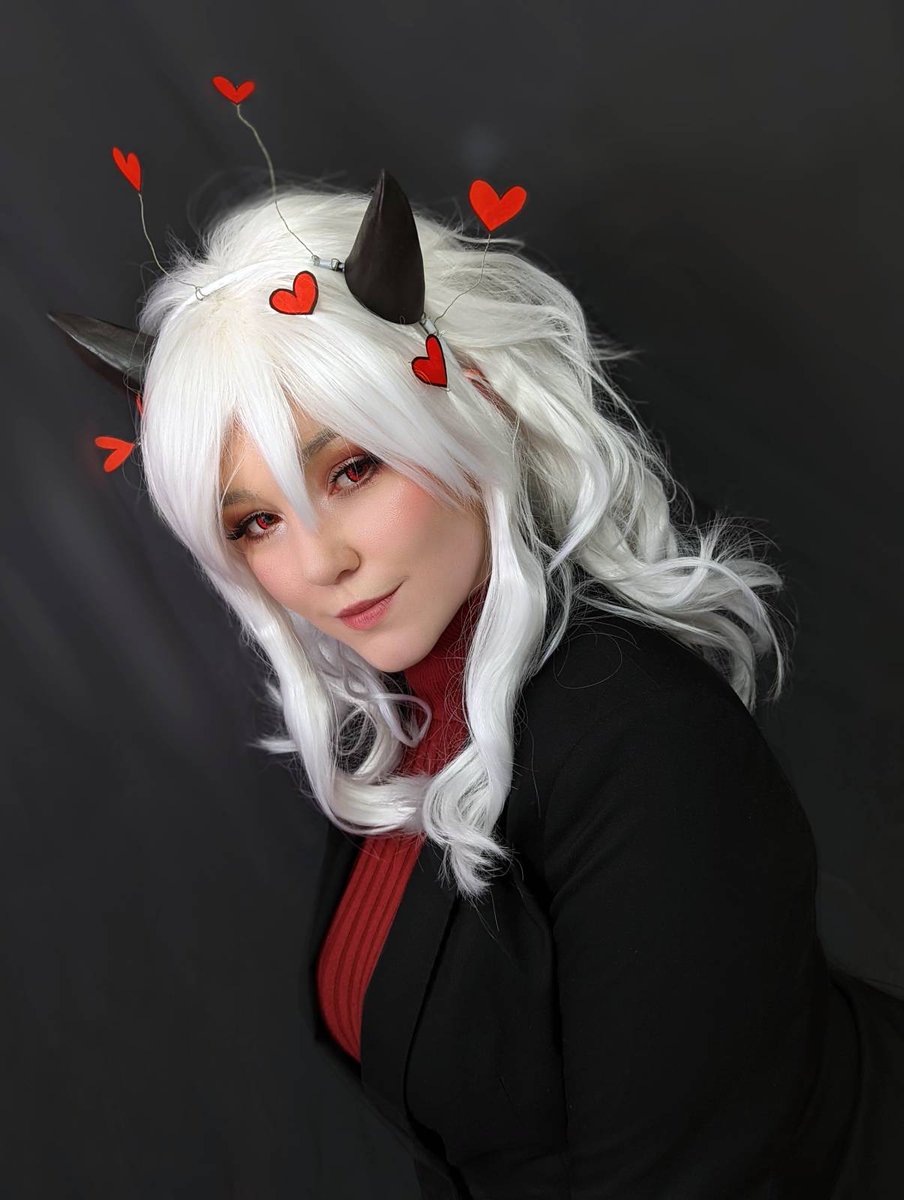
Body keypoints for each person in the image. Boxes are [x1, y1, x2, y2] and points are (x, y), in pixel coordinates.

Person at [50, 169, 904, 1199]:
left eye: (352, 469)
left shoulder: (639, 740)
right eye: (257, 521)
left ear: (474, 408)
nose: (320, 562)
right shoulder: (409, 719)